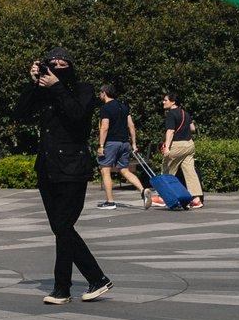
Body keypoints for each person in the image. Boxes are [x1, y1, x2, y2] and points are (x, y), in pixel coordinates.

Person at [20, 47, 113, 305]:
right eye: (53, 63)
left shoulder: (83, 89)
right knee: (60, 228)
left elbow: (77, 116)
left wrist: (58, 86)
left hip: (73, 168)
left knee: (62, 227)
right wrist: (34, 84)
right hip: (47, 168)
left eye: (63, 63)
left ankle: (65, 287)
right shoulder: (44, 92)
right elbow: (21, 113)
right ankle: (92, 280)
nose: (58, 66)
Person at [94, 81, 147, 210]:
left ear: (104, 93)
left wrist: (101, 145)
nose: (99, 96)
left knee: (105, 170)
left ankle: (110, 202)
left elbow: (104, 127)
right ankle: (143, 191)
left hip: (111, 143)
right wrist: (133, 143)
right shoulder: (124, 107)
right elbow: (131, 126)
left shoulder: (106, 108)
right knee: (124, 170)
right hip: (125, 143)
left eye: (100, 93)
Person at [159, 90, 204, 207]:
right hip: (189, 145)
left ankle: (164, 197)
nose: (163, 102)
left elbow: (170, 131)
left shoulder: (171, 114)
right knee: (190, 172)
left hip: (177, 145)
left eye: (165, 100)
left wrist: (167, 147)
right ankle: (196, 199)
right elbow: (192, 128)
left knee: (167, 169)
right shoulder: (185, 113)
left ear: (173, 102)